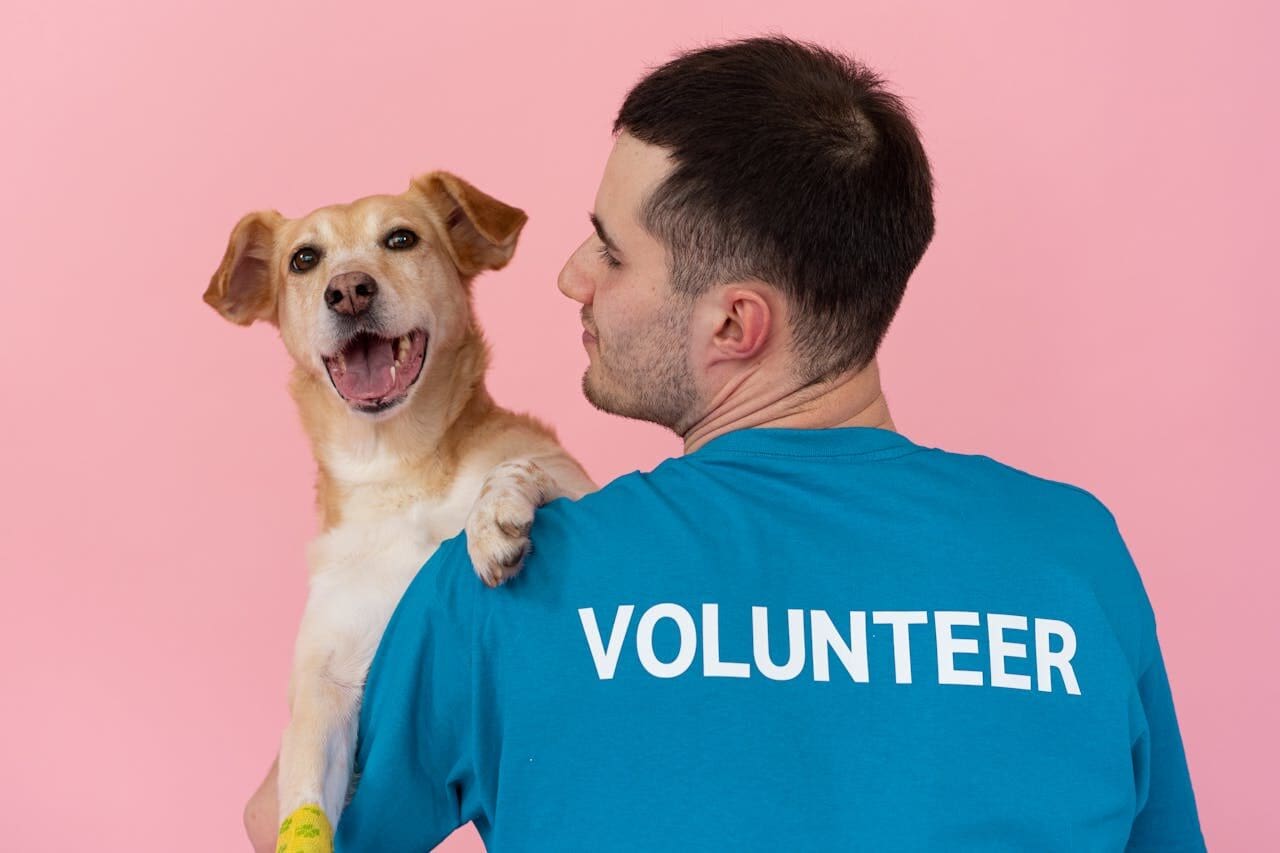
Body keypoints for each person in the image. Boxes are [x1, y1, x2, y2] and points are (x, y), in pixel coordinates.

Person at [250, 35, 1205, 851]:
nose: (571, 277)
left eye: (611, 252)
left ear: (734, 325)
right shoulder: (1076, 557)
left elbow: (289, 819)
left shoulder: (509, 573)